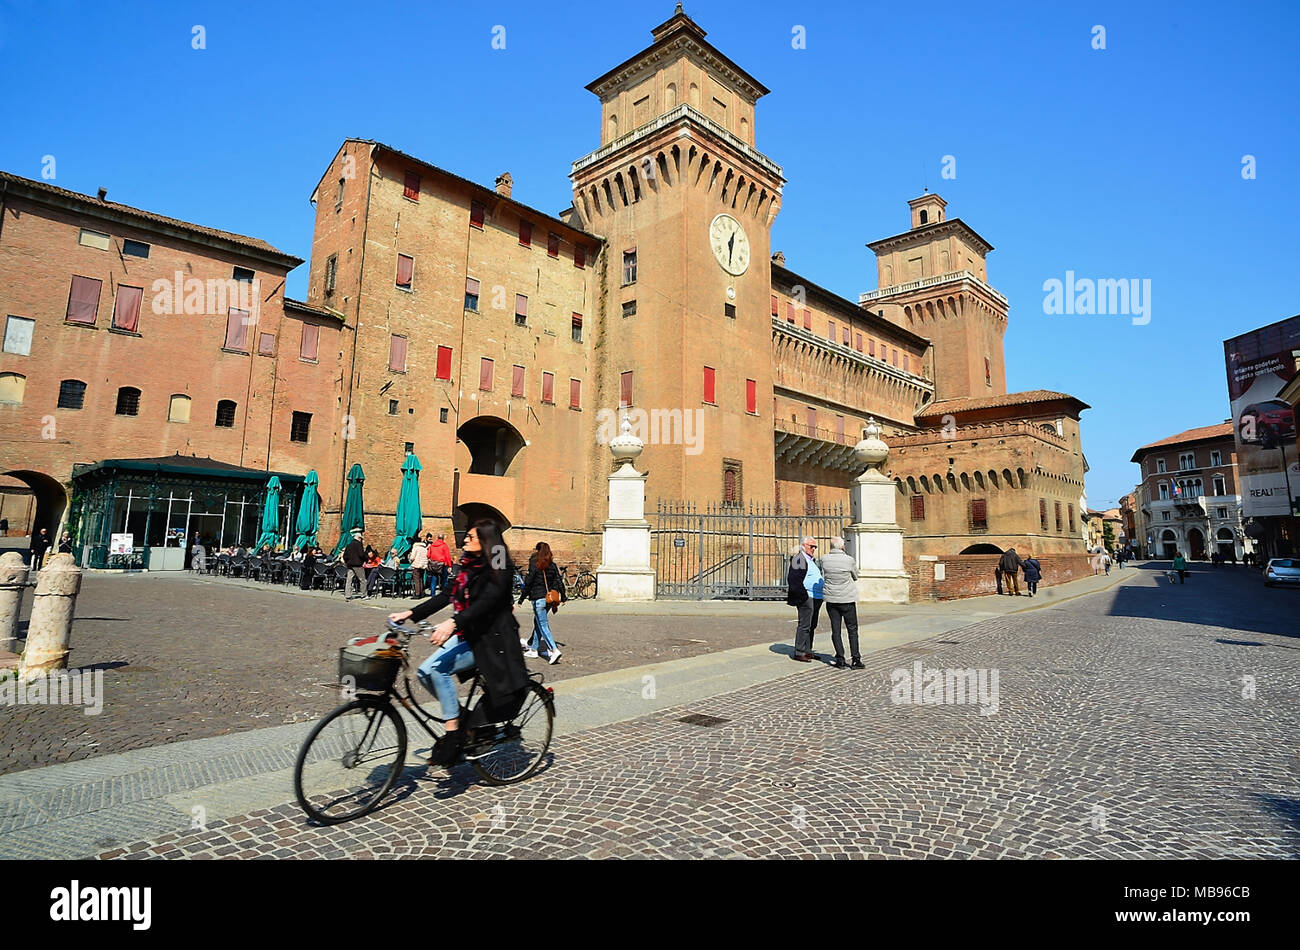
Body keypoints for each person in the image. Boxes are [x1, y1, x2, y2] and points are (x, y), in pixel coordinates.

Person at [388, 519, 529, 767]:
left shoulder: (498, 558)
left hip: (493, 639)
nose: (464, 540)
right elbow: (445, 595)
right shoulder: (466, 565)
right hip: (470, 634)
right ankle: (463, 720)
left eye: (471, 537)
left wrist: (453, 623)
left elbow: (492, 598)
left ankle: (454, 733)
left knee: (438, 669)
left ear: (486, 541)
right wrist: (410, 613)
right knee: (423, 672)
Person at [518, 541, 566, 663]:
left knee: (543, 624)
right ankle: (533, 649)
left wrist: (521, 599)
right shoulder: (553, 565)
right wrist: (563, 597)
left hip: (538, 598)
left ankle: (554, 650)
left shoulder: (535, 564)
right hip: (549, 599)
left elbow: (528, 583)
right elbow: (559, 581)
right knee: (538, 623)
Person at [820, 537, 862, 670]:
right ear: (843, 546)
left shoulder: (824, 559)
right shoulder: (849, 560)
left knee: (836, 630)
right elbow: (855, 576)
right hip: (847, 599)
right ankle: (855, 659)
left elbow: (823, 576)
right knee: (852, 629)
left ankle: (840, 659)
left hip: (832, 599)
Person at [786, 536, 822, 662]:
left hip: (816, 597)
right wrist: (804, 596)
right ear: (803, 546)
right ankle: (799, 651)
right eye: (811, 546)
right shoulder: (799, 559)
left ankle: (808, 650)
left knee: (812, 625)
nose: (813, 549)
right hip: (807, 597)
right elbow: (793, 579)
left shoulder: (810, 560)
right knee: (805, 625)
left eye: (815, 547)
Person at [341, 532, 367, 600]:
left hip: (350, 565)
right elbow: (361, 554)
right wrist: (365, 559)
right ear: (359, 538)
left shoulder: (349, 545)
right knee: (362, 580)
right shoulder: (359, 544)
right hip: (357, 564)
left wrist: (347, 562)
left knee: (349, 580)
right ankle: (363, 595)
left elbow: (345, 556)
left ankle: (348, 595)